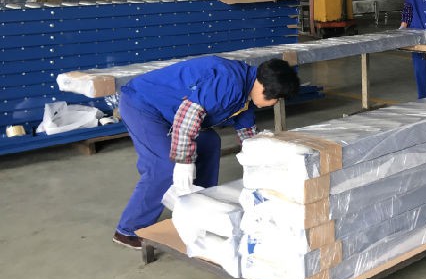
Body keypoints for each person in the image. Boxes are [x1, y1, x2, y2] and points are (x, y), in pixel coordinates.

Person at [112, 56, 300, 248]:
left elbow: (247, 134)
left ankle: (196, 208)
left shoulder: (247, 92)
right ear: (265, 88)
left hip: (169, 111)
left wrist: (267, 167)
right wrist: (184, 161)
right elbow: (188, 116)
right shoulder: (230, 83)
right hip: (143, 104)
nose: (274, 103)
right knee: (164, 165)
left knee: (209, 142)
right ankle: (128, 230)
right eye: (276, 99)